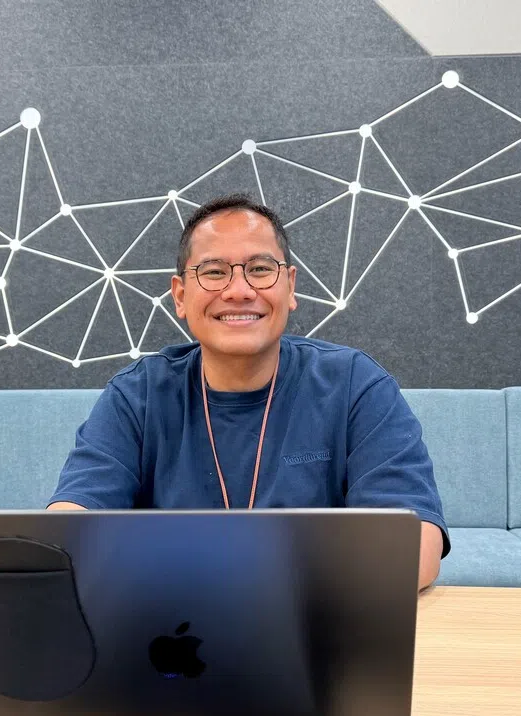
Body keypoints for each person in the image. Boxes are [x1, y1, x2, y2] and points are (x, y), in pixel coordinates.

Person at [48, 193, 449, 590]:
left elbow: (415, 547)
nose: (239, 290)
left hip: (316, 621)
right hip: (171, 624)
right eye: (214, 272)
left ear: (290, 287)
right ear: (181, 296)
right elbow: (67, 533)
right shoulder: (137, 396)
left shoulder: (356, 386)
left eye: (259, 269)